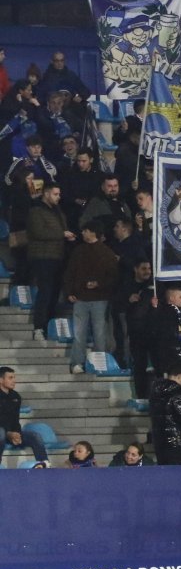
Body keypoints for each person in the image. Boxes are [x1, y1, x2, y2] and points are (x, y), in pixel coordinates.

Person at [63, 220, 118, 374]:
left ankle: (98, 364)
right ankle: (78, 363)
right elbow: (70, 273)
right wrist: (69, 292)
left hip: (99, 299)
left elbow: (113, 277)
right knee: (82, 334)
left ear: (92, 232)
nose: (82, 233)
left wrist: (98, 284)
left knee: (99, 334)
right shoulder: (79, 251)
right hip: (82, 298)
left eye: (85, 230)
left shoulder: (106, 253)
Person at [27, 182, 74, 340]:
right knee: (45, 291)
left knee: (54, 293)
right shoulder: (36, 211)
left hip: (58, 256)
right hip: (43, 257)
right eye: (55, 194)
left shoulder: (58, 211)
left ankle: (49, 326)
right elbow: (39, 232)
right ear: (46, 194)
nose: (58, 197)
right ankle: (39, 326)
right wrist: (62, 234)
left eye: (59, 194)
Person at [0, 367, 50, 468]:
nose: (14, 380)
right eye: (10, 377)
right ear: (1, 380)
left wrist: (17, 434)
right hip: (2, 432)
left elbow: (15, 419)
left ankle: (44, 464)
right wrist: (8, 433)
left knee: (35, 436)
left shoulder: (16, 396)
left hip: (10, 433)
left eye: (14, 377)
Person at [149, 364, 181, 465]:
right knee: (179, 471)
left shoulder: (154, 391)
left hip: (159, 438)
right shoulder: (176, 391)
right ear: (179, 376)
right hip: (175, 439)